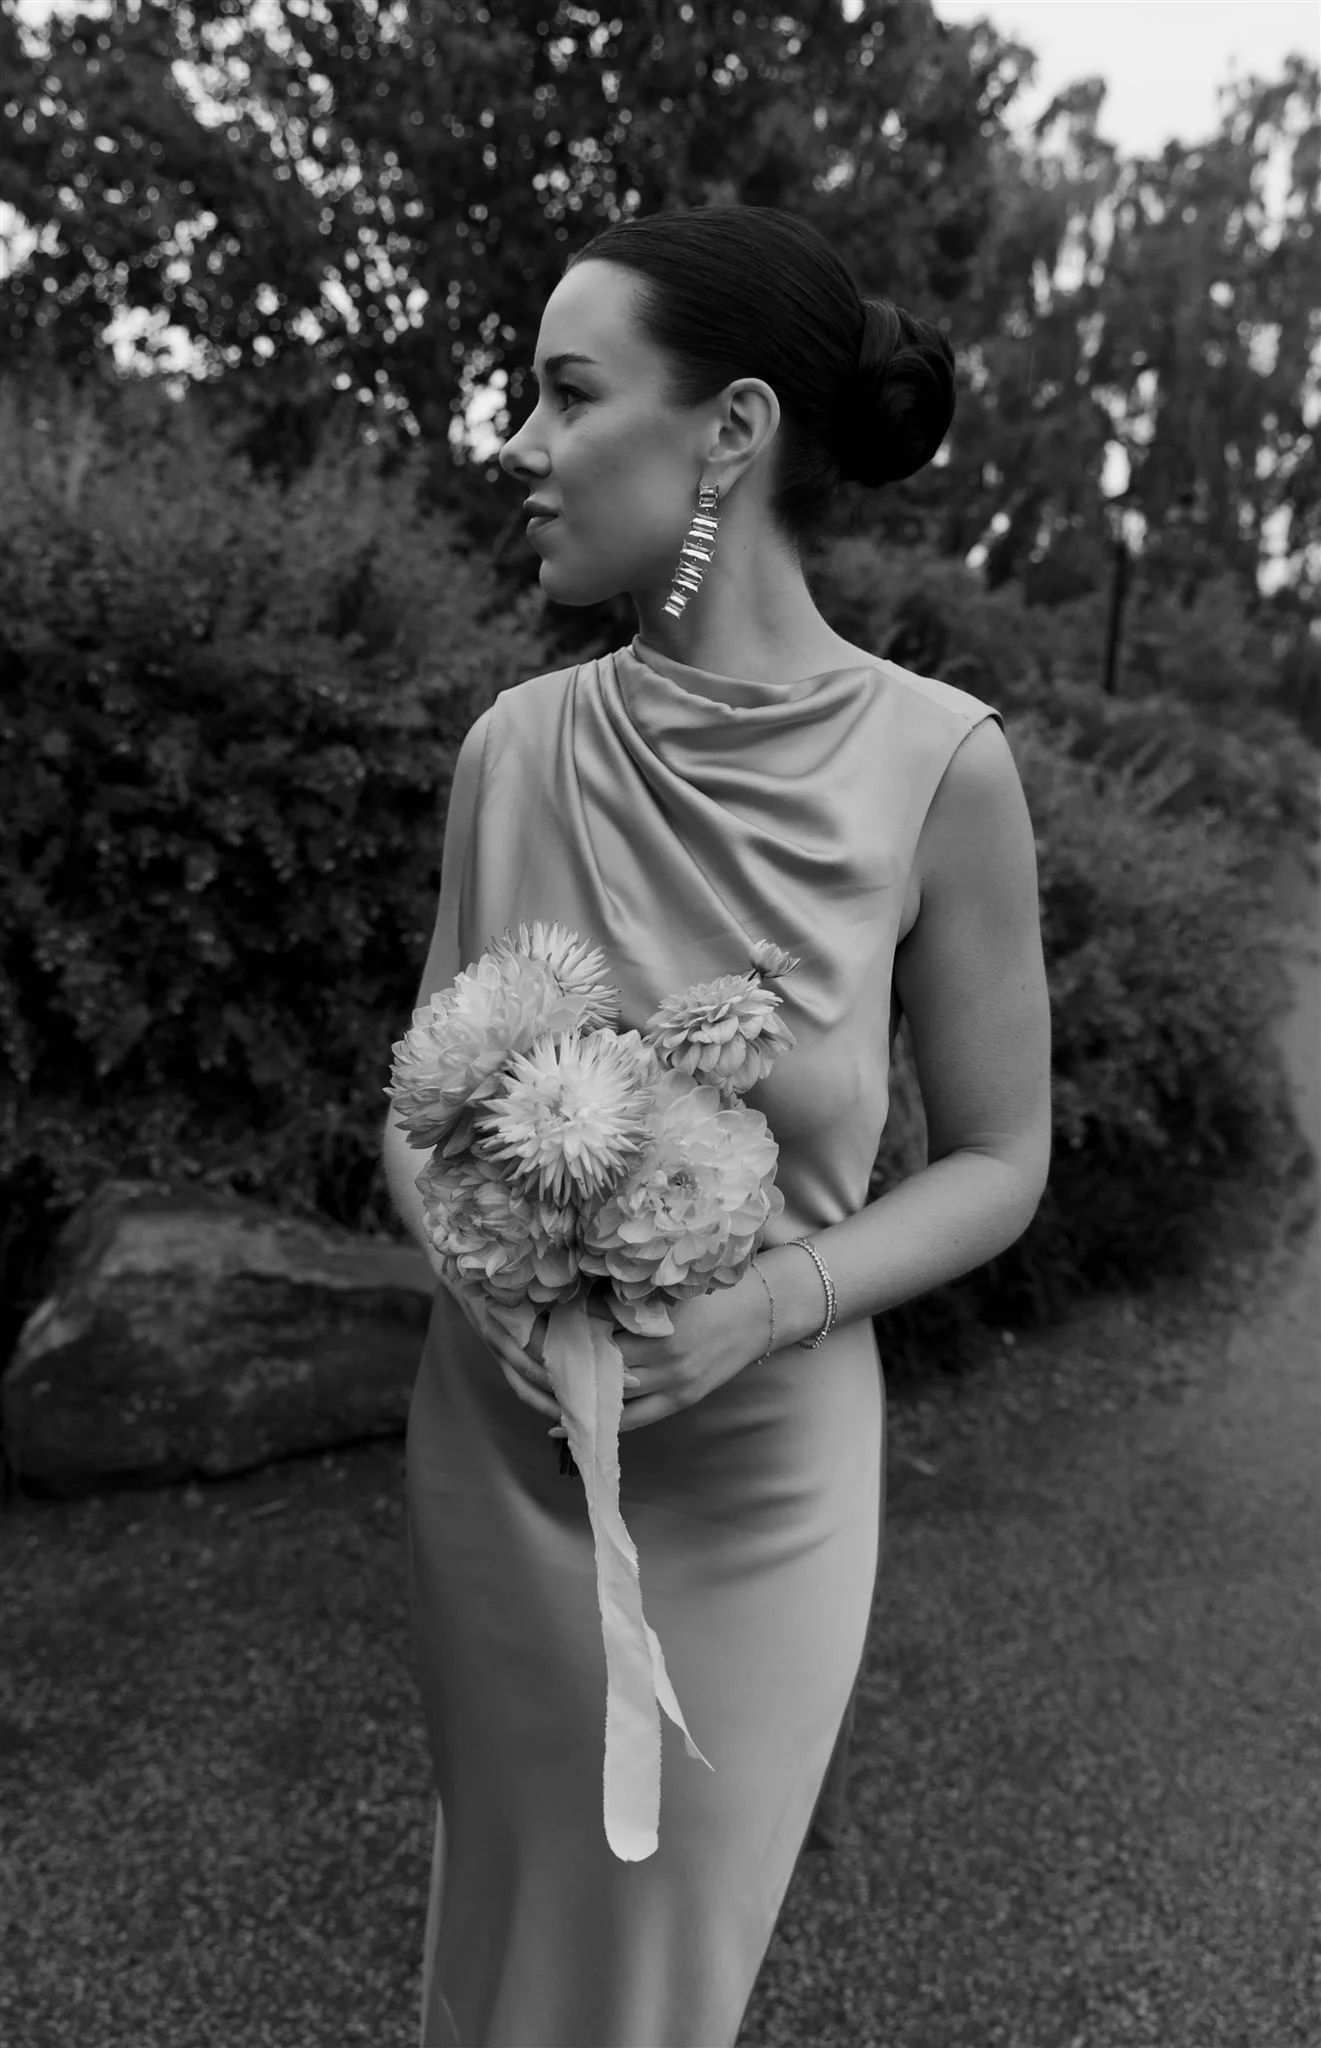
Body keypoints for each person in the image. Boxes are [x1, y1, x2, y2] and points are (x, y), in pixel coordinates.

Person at [383, 203, 1052, 2048]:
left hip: (762, 1484)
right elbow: (419, 1089)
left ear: (731, 432)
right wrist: (484, 1275)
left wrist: (766, 1305)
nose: (517, 445)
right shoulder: (514, 748)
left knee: (658, 1985)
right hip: (499, 1463)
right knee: (500, 1936)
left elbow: (1003, 1161)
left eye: (564, 391)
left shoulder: (942, 768)